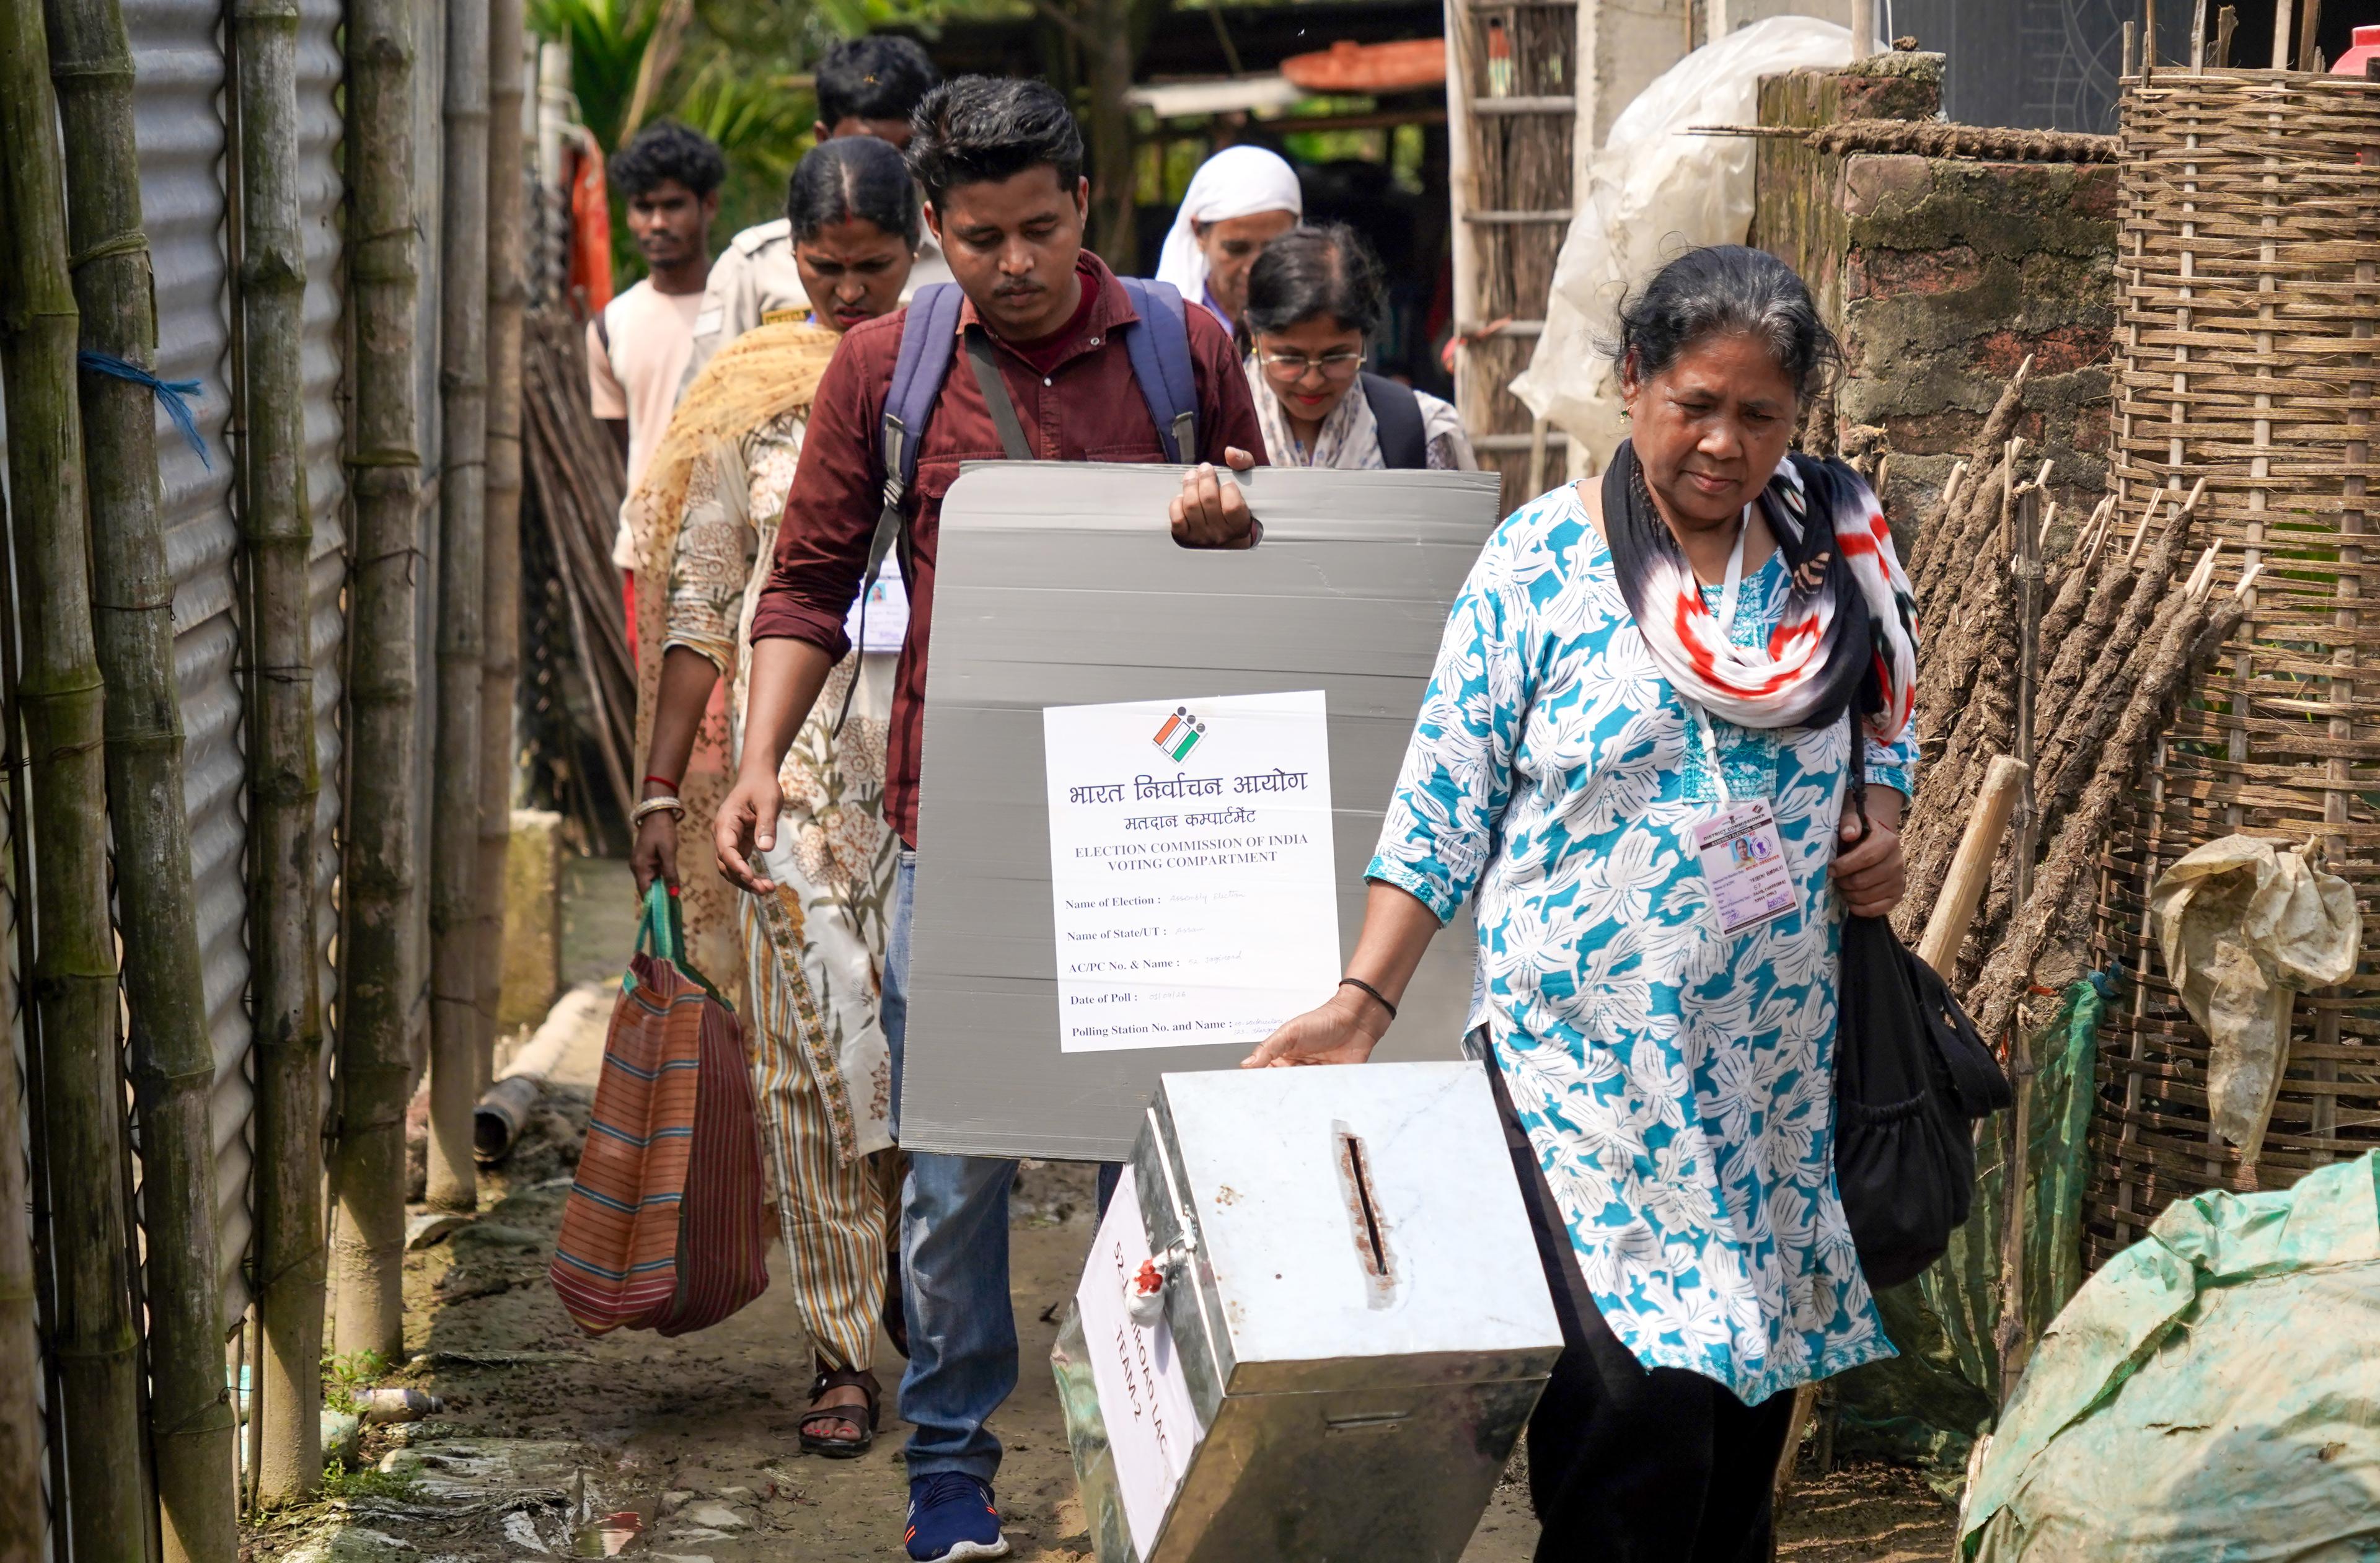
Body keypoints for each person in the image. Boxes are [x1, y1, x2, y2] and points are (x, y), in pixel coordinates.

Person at [1244, 245, 1921, 1563]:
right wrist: (1363, 998)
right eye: (1695, 404)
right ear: (1632, 386)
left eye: (1760, 414)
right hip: (1581, 1071)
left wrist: (1881, 820)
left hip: (1769, 1071)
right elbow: (1444, 800)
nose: (1724, 443)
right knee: (1633, 1416)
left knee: (1741, 1413)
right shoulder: (1541, 565)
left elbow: (1884, 719)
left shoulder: (1833, 558)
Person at [712, 76, 1269, 1563]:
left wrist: (1226, 519)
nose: (1011, 264)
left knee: (1138, 1164)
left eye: (1037, 229)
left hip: (1155, 826)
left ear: (1085, 207)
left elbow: (1267, 553)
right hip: (955, 831)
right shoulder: (883, 370)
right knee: (951, 1171)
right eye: (976, 237)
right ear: (933, 228)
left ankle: (1140, 1464)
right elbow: (810, 580)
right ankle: (949, 1474)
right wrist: (755, 758)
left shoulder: (1181, 346)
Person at [625, 135, 925, 1463]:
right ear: (790, 263)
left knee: (912, 1049)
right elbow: (701, 596)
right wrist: (661, 779)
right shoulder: (743, 392)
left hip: (931, 751)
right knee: (808, 1055)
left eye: (876, 267)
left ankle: (912, 1256)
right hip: (785, 768)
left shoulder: (956, 376)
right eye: (827, 269)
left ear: (918, 251)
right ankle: (839, 1350)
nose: (852, 293)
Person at [677, 35, 954, 394]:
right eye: (868, 148)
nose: (888, 169)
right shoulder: (755, 267)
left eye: (909, 149)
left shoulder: (960, 261)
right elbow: (703, 405)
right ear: (824, 138)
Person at [590, 120, 725, 579]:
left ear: (709, 205)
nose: (658, 223)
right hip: (647, 555)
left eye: (673, 206)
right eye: (643, 208)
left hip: (735, 547)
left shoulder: (743, 307)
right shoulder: (610, 326)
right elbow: (622, 442)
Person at [1239, 223, 1477, 472]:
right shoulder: (1214, 426)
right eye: (1290, 358)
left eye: (1335, 357)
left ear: (1364, 338)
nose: (1312, 381)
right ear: (1254, 335)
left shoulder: (1426, 430)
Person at [1153, 143, 1303, 333]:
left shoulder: (1322, 325)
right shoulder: (1167, 335)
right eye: (1237, 249)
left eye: (1275, 249)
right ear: (1199, 232)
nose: (1253, 268)